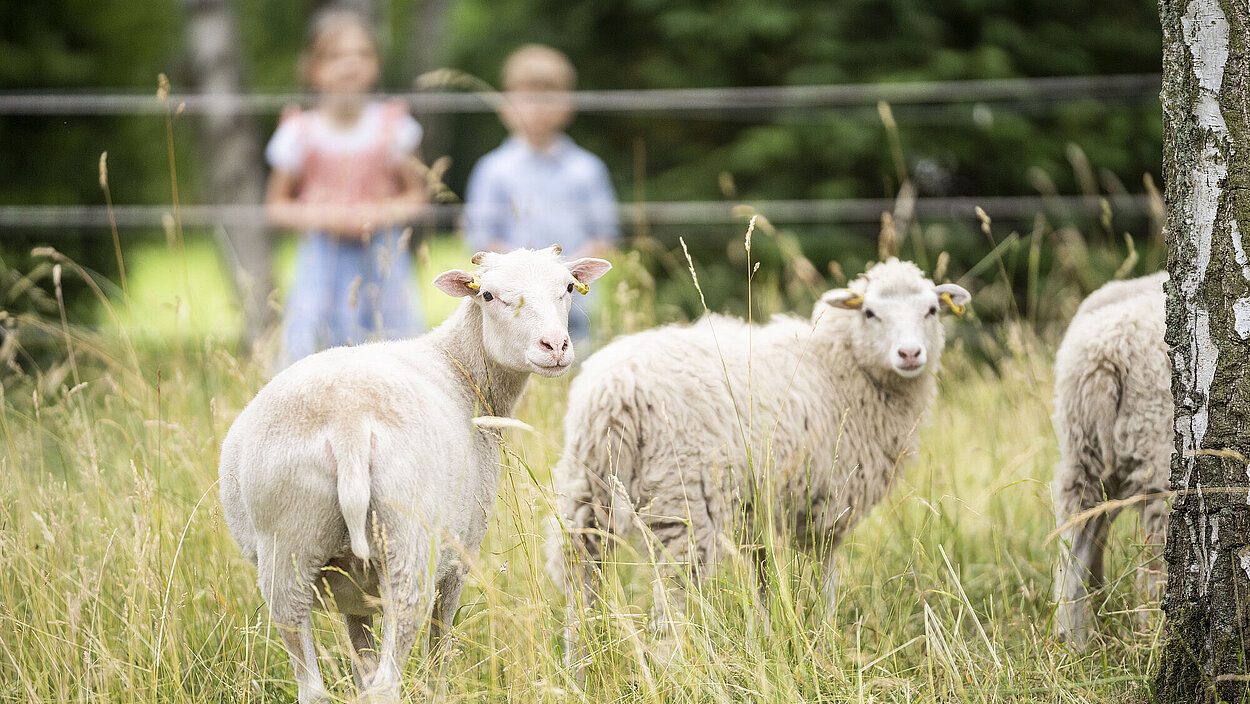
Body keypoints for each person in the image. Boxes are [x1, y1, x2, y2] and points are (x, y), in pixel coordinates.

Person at [265, 9, 427, 365]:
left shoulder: (394, 126)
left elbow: (418, 194)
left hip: (383, 255)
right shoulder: (300, 131)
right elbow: (276, 204)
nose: (350, 64)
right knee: (316, 345)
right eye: (336, 55)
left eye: (362, 54)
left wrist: (382, 212)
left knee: (391, 343)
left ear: (376, 65)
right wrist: (323, 216)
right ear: (313, 68)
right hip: (324, 256)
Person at [463, 44, 619, 345]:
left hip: (573, 302)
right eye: (527, 99)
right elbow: (482, 240)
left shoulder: (587, 169)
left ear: (568, 105)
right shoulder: (493, 170)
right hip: (513, 308)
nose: (537, 108)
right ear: (506, 105)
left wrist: (562, 276)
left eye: (548, 98)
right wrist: (527, 279)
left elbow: (604, 236)